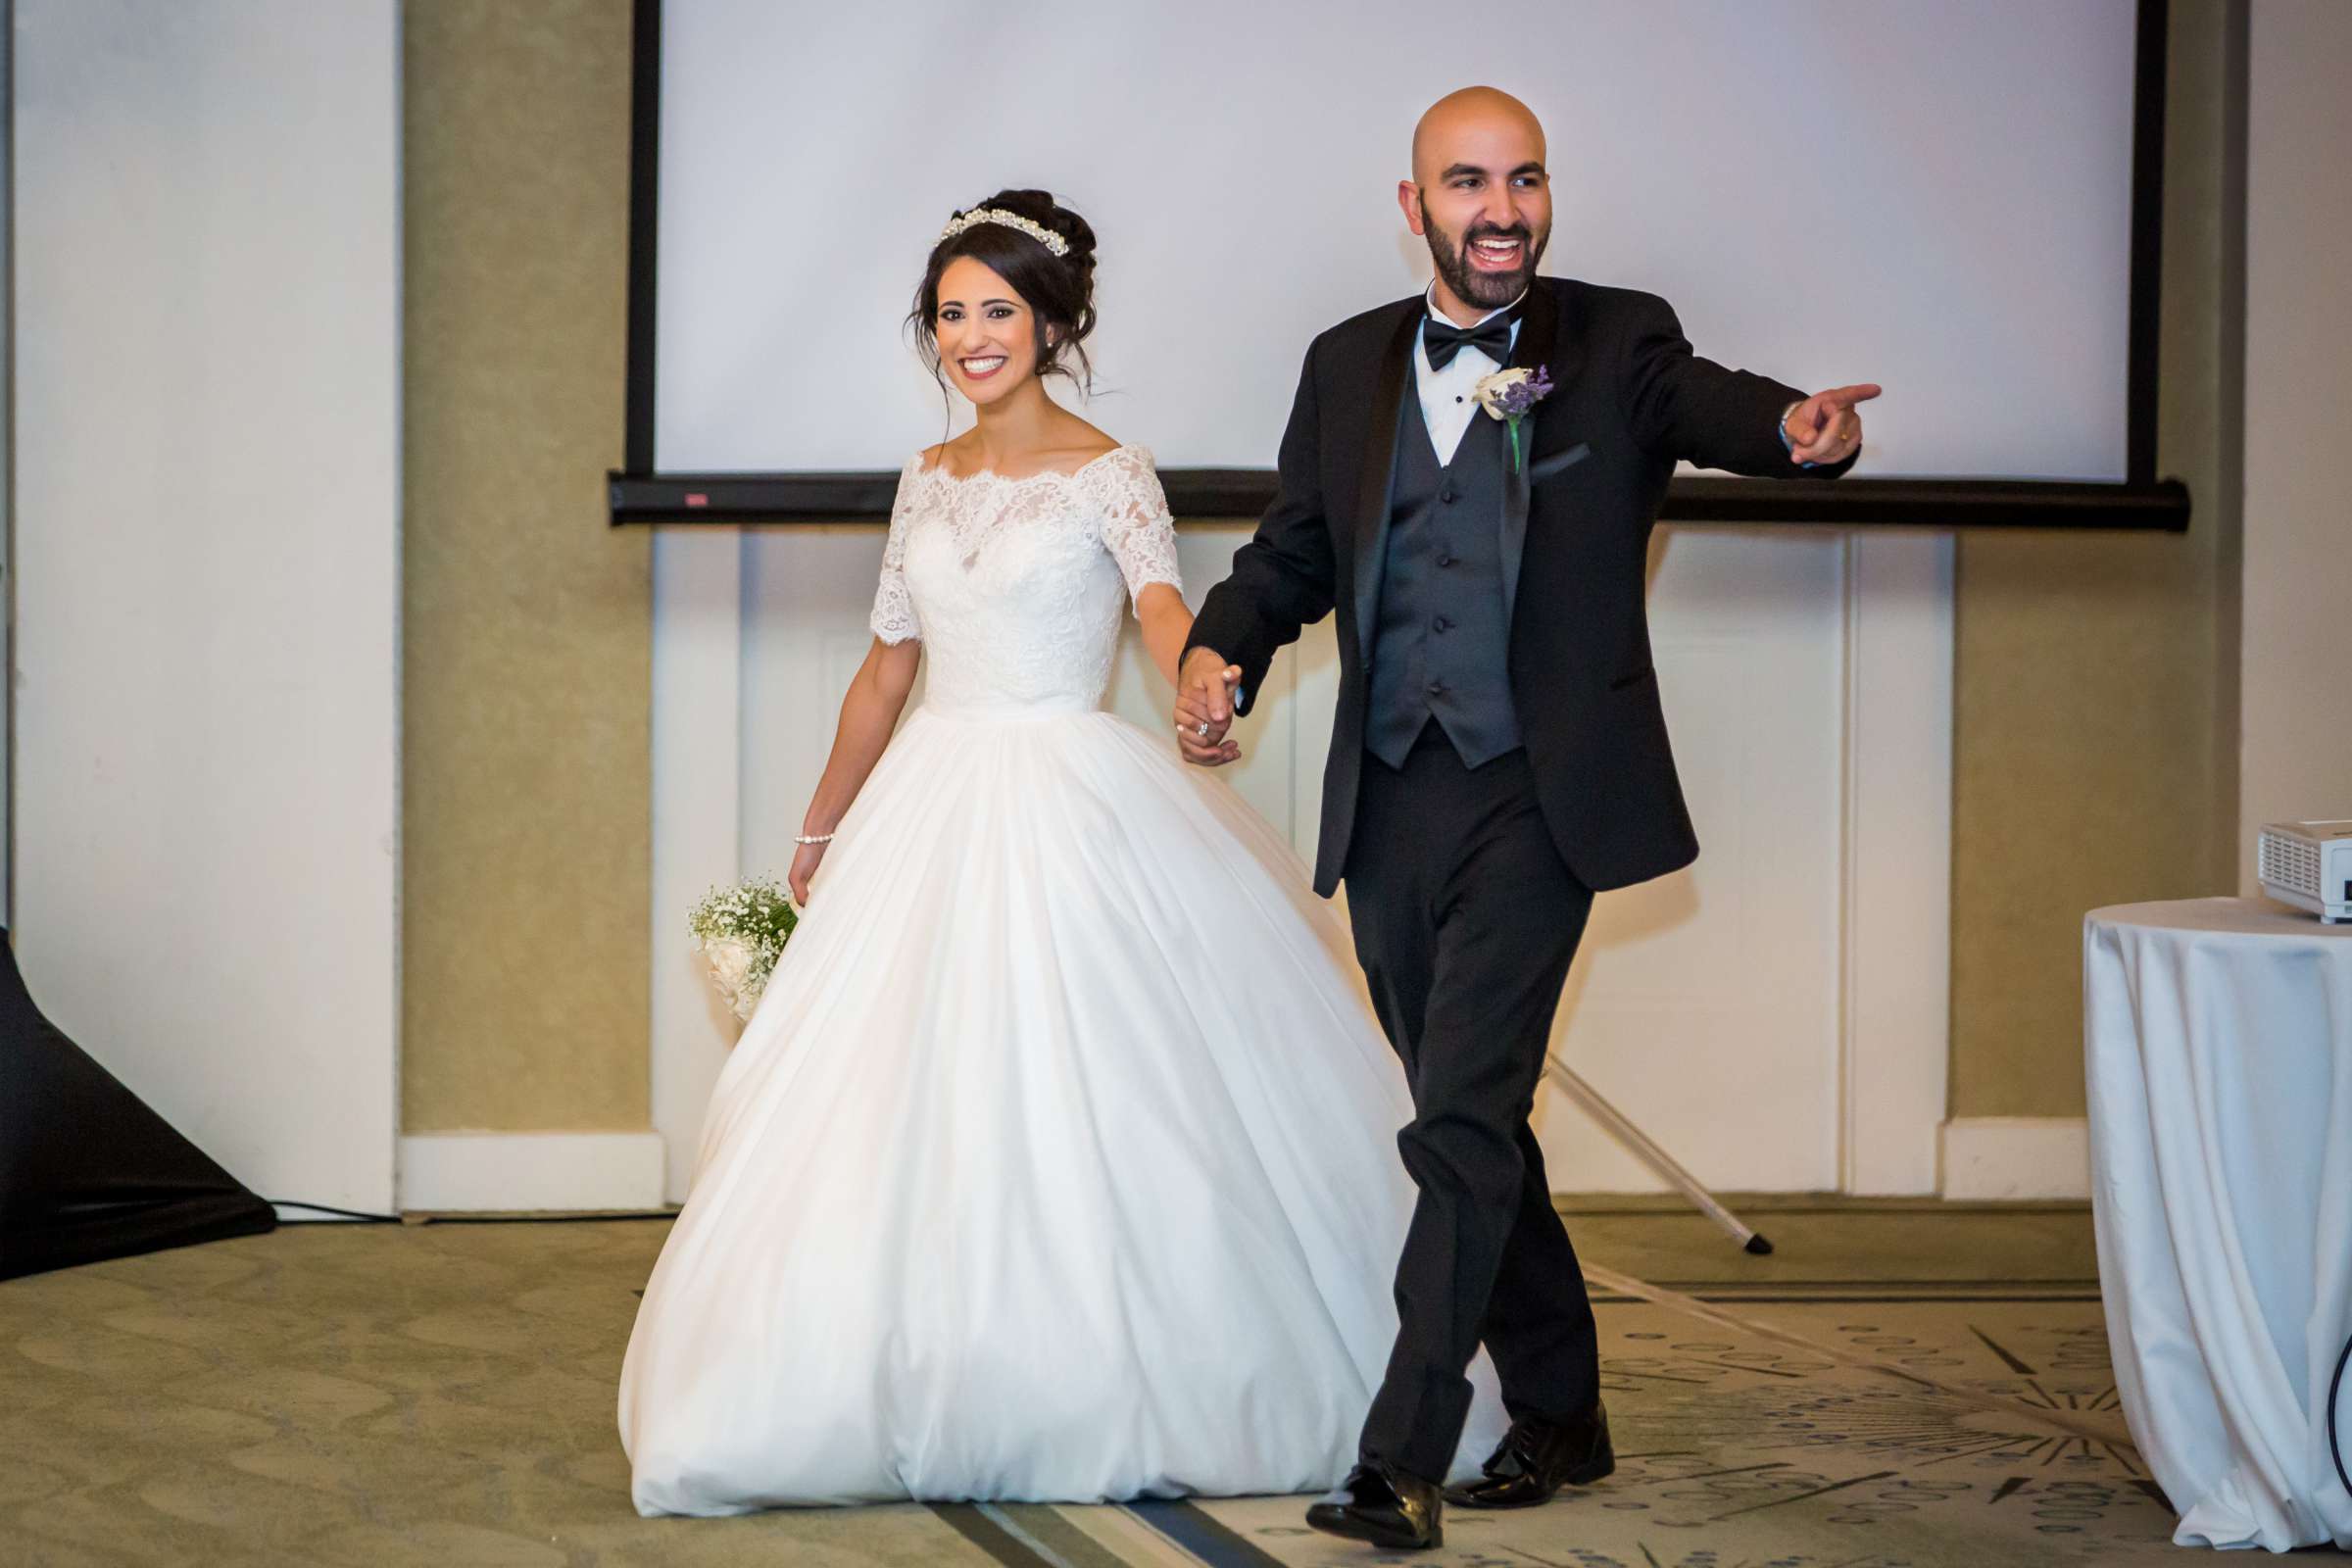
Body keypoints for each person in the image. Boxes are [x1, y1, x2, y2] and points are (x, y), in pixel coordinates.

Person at [616, 187, 1506, 1514]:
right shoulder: (927, 479)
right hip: (930, 798)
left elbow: (1160, 610)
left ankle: (1111, 1382)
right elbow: (883, 675)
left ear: (1051, 323)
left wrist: (1203, 682)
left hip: (1072, 796)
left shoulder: (1110, 472)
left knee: (1101, 1095)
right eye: (952, 314)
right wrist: (818, 825)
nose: (973, 337)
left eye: (998, 311)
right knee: (884, 1105)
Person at [1176, 88, 1880, 1551]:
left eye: (1527, 180)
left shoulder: (1614, 339)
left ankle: (1401, 1457)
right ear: (1414, 203)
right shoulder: (1346, 364)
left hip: (1543, 795)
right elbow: (1295, 548)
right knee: (1470, 1116)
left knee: (1461, 1120)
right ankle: (1563, 1414)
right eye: (1469, 183)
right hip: (1387, 795)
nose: (1503, 209)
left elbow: (1717, 404)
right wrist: (1222, 647)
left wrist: (1799, 429)